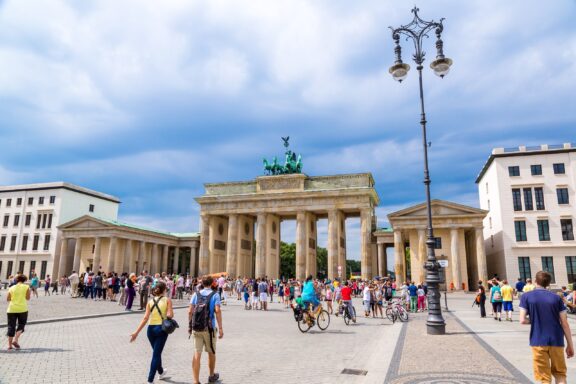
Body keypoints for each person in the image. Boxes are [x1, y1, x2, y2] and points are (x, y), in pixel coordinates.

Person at [520, 271, 574, 384]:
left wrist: (534, 319)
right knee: (560, 374)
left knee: (544, 378)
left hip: (538, 340)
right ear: (549, 283)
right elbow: (565, 323)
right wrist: (570, 345)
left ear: (535, 281)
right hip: (557, 340)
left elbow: (522, 320)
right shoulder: (556, 298)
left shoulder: (526, 296)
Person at [130, 281, 173, 383]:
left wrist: (136, 332)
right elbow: (170, 315)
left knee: (156, 353)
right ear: (164, 290)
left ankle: (161, 372)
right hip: (161, 330)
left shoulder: (150, 301)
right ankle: (150, 380)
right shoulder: (167, 300)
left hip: (150, 330)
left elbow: (145, 318)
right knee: (156, 355)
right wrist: (168, 314)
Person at [189, 276, 223, 384]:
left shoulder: (196, 294)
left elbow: (190, 311)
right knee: (211, 352)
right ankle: (211, 375)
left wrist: (190, 326)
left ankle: (195, 381)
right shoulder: (215, 294)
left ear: (202, 283)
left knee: (196, 354)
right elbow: (217, 311)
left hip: (197, 328)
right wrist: (221, 328)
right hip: (209, 328)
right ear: (212, 283)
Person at [6, 274, 31, 350]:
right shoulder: (27, 287)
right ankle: (16, 339)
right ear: (25, 280)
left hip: (12, 309)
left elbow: (8, 299)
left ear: (17, 280)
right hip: (22, 309)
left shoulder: (11, 287)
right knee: (21, 324)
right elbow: (28, 298)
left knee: (11, 326)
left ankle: (9, 345)